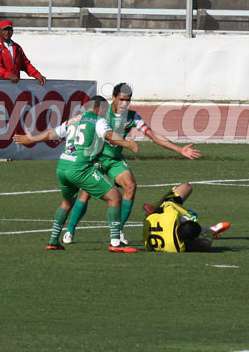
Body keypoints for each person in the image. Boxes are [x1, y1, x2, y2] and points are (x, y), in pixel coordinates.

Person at [63, 83, 201, 246]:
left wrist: (180, 150)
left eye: (127, 100)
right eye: (121, 99)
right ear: (113, 98)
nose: (124, 104)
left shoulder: (132, 117)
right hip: (95, 158)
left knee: (130, 185)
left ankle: (118, 231)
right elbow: (80, 128)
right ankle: (70, 230)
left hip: (114, 161)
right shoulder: (100, 114)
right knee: (85, 192)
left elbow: (154, 136)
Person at [13, 96, 139, 252]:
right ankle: (115, 243)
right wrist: (126, 143)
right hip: (79, 168)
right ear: (99, 109)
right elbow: (108, 135)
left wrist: (31, 139)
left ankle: (53, 241)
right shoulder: (98, 121)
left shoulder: (74, 120)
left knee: (67, 202)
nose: (105, 114)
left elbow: (53, 133)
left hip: (63, 166)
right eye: (105, 110)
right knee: (115, 197)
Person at [143, 182, 230, 253]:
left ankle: (152, 208)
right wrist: (190, 215)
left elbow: (169, 204)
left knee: (185, 187)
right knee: (205, 244)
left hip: (152, 217)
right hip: (149, 224)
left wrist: (187, 213)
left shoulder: (171, 217)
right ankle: (209, 231)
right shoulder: (178, 247)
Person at [0, 19, 46, 85]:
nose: (7, 32)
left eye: (9, 30)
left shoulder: (17, 47)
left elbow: (26, 64)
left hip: (13, 86)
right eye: (4, 30)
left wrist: (38, 75)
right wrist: (8, 75)